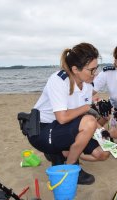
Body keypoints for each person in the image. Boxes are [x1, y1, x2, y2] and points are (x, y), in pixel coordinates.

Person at [28, 42, 109, 185]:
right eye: (91, 70)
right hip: (42, 130)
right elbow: (63, 117)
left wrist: (103, 133)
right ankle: (70, 168)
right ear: (75, 69)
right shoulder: (58, 80)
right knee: (89, 120)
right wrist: (87, 107)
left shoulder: (88, 86)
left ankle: (63, 153)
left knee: (104, 152)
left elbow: (79, 119)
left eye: (96, 68)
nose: (95, 73)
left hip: (65, 128)